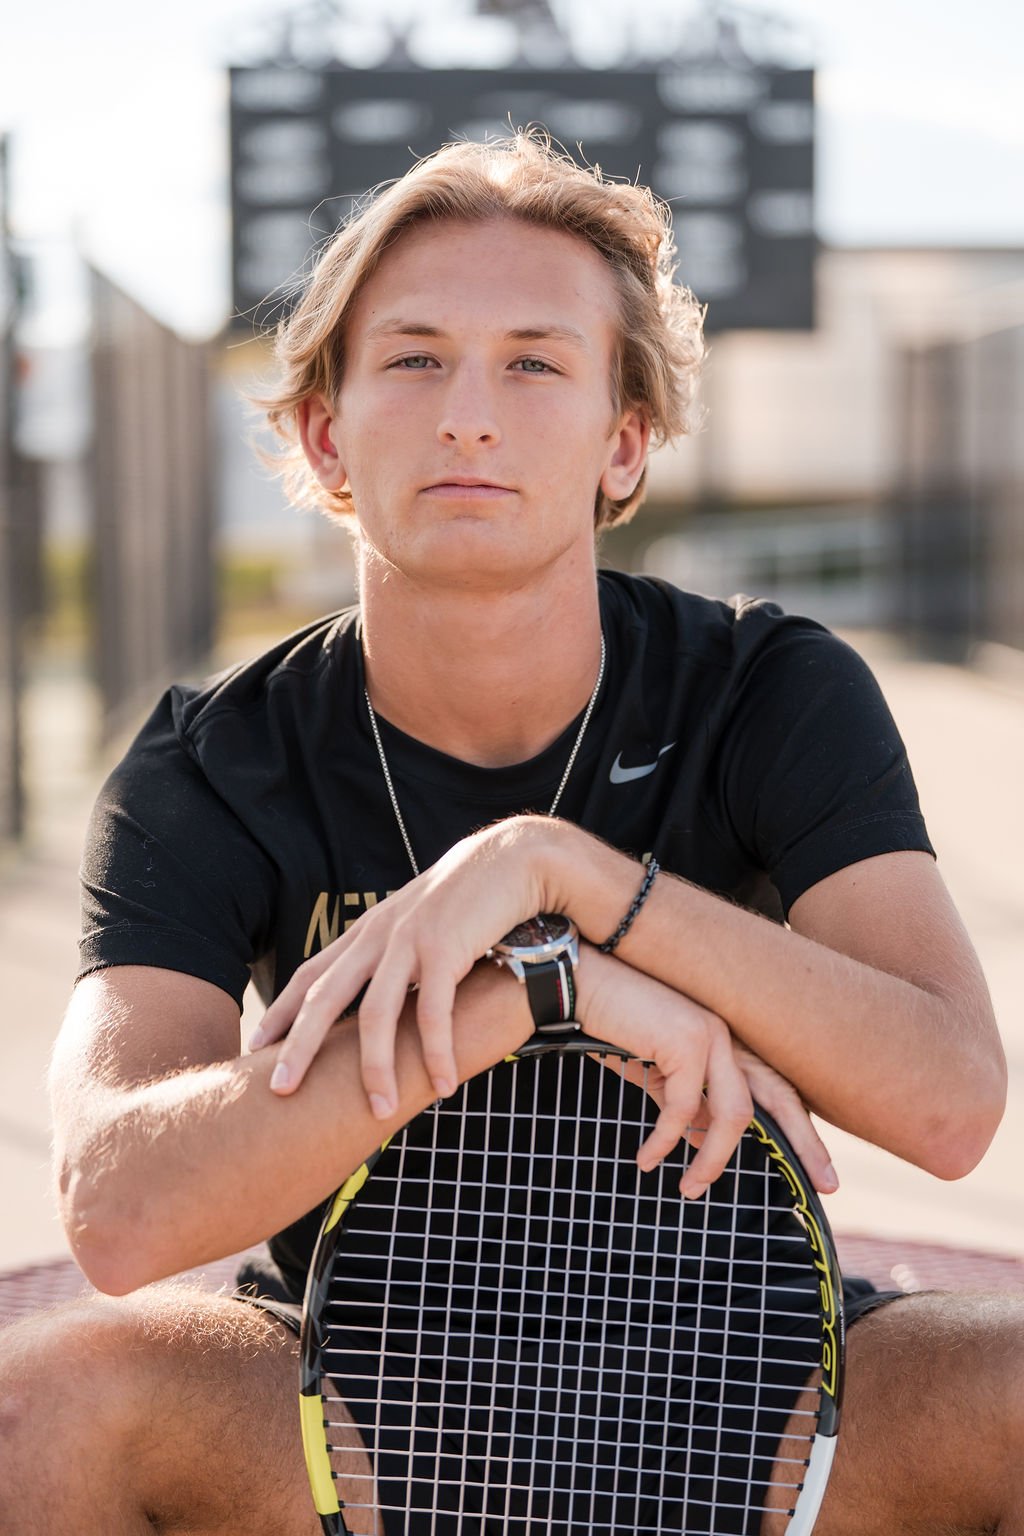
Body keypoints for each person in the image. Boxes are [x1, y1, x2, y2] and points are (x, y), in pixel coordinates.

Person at [2, 131, 1015, 1535]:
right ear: (324, 433)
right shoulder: (215, 757)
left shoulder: (768, 688)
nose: (469, 413)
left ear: (623, 443)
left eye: (535, 361)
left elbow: (953, 1097)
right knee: (41, 1414)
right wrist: (539, 993)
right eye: (413, 358)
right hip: (345, 1411)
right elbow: (115, 1206)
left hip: (773, 1394)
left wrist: (565, 873)